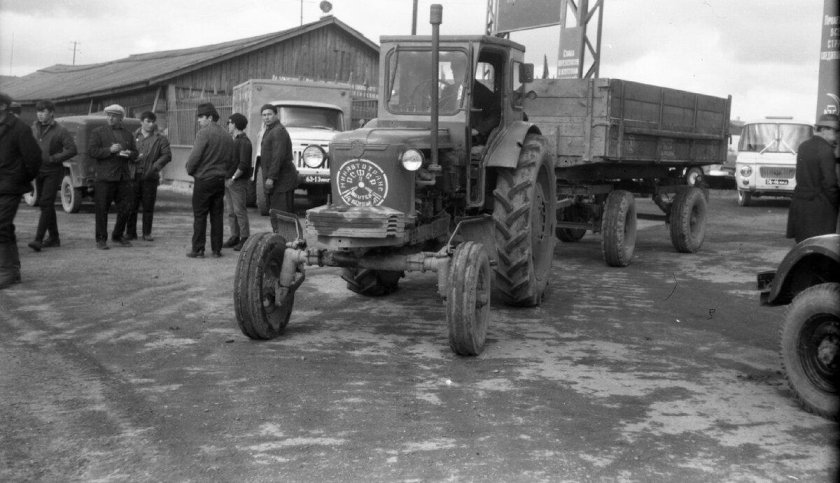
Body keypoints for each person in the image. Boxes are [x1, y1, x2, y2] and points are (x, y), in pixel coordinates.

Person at [0, 92, 41, 289]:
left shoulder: (19, 128)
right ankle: (12, 269)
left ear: (2, 106)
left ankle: (8, 271)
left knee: (0, 225)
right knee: (4, 227)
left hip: (10, 186)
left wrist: (19, 179)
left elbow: (34, 159)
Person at [185, 102, 234, 258]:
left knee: (200, 215)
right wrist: (224, 173)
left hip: (204, 180)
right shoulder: (227, 135)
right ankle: (216, 249)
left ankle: (198, 249)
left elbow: (195, 157)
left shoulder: (203, 133)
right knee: (217, 215)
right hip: (219, 180)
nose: (199, 120)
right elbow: (232, 159)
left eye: (201, 117)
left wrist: (190, 170)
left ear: (210, 117)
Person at [28, 100, 78, 252]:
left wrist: (54, 158)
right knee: (46, 204)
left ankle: (38, 239)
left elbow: (72, 149)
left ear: (51, 113)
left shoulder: (60, 130)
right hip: (38, 170)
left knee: (45, 202)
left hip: (53, 171)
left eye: (43, 111)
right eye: (38, 111)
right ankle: (54, 238)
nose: (40, 114)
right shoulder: (34, 128)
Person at [88, 104, 138, 250]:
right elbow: (92, 151)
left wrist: (130, 154)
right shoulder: (98, 132)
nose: (110, 118)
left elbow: (135, 153)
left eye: (114, 116)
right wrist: (109, 150)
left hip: (123, 177)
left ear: (121, 118)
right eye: (109, 115)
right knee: (102, 209)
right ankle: (101, 239)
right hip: (105, 177)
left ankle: (117, 235)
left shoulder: (128, 134)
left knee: (126, 208)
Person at [786, 113, 839, 243]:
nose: (837, 135)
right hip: (820, 209)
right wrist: (836, 201)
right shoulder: (825, 149)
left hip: (800, 206)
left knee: (804, 247)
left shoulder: (804, 146)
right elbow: (830, 183)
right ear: (824, 130)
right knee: (821, 248)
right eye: (836, 130)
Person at [126, 111, 171, 242]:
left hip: (150, 176)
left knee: (148, 206)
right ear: (141, 122)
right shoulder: (133, 136)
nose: (151, 124)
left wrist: (154, 167)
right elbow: (126, 151)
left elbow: (167, 155)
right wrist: (131, 157)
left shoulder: (160, 138)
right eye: (148, 121)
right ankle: (130, 232)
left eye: (153, 122)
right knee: (131, 206)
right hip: (133, 175)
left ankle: (147, 233)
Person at [260, 103, 298, 226]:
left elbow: (278, 156)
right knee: (276, 213)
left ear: (276, 115)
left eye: (269, 114)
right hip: (278, 181)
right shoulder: (270, 130)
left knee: (282, 215)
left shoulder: (278, 131)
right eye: (264, 115)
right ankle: (282, 240)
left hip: (282, 181)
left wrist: (271, 177)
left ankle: (287, 242)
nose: (266, 117)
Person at [223, 113, 252, 251]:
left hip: (237, 182)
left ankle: (244, 238)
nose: (227, 125)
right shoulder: (233, 140)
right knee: (231, 211)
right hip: (229, 180)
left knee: (239, 210)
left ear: (234, 124)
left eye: (229, 122)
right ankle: (235, 236)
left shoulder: (244, 142)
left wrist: (233, 178)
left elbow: (244, 164)